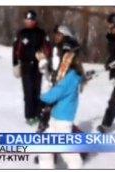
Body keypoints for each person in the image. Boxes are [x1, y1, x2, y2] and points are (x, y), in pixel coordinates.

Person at [38, 25, 84, 169]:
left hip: (63, 118)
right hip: (55, 115)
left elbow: (57, 91)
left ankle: (76, 165)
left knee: (67, 152)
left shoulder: (72, 76)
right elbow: (55, 81)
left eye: (67, 55)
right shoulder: (67, 72)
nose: (65, 58)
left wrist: (41, 98)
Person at [12, 10, 51, 125]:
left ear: (35, 20)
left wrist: (45, 56)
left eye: (31, 20)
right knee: (28, 92)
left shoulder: (41, 33)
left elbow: (48, 47)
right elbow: (15, 50)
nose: (28, 22)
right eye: (27, 20)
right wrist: (15, 64)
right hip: (25, 66)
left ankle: (37, 113)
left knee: (36, 91)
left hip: (38, 66)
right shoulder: (21, 33)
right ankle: (29, 116)